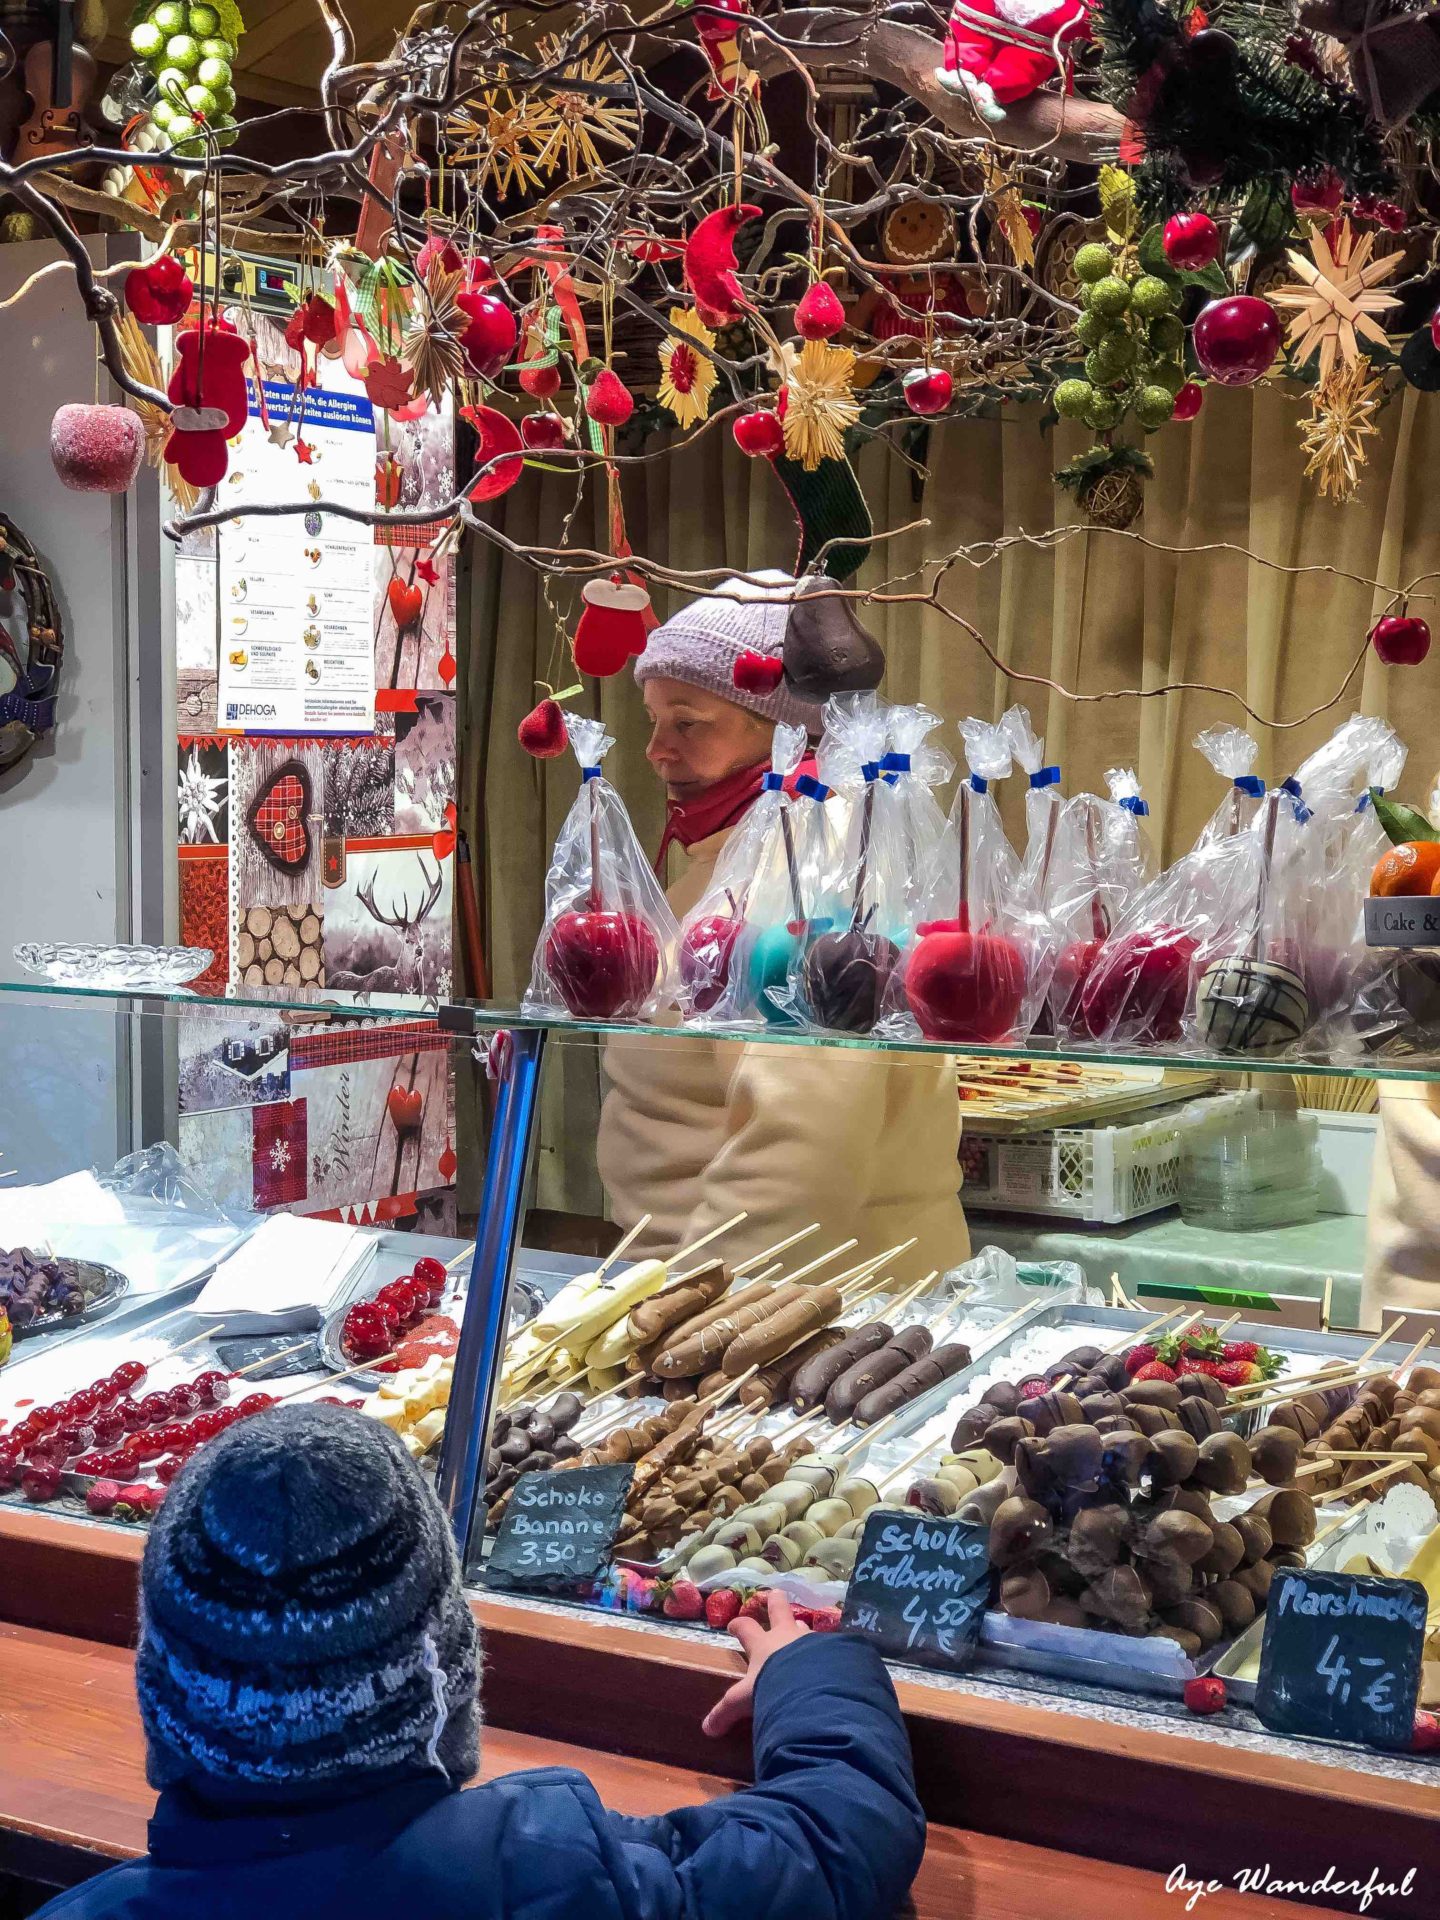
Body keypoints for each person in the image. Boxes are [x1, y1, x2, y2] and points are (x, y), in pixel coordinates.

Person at [33, 1406, 927, 1920]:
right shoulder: (560, 1876)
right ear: (447, 1681)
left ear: (163, 1702)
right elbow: (833, 1842)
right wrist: (807, 1679)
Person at [597, 572, 971, 1278]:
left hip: (805, 1309)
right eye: (654, 720)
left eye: (688, 721)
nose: (656, 750)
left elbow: (804, 1141)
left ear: (789, 732)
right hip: (705, 1282)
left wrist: (701, 1308)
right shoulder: (733, 857)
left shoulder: (811, 862)